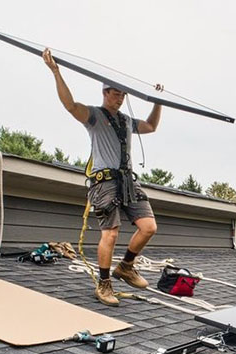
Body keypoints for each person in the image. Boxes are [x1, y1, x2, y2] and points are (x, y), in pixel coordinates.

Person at [43, 48, 162, 306]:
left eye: (122, 95)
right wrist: (56, 72)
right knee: (111, 233)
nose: (119, 99)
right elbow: (70, 106)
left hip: (128, 181)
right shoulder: (94, 116)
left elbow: (151, 126)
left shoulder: (128, 121)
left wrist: (158, 101)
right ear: (105, 93)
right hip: (104, 181)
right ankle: (104, 283)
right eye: (115, 93)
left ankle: (126, 266)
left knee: (149, 226)